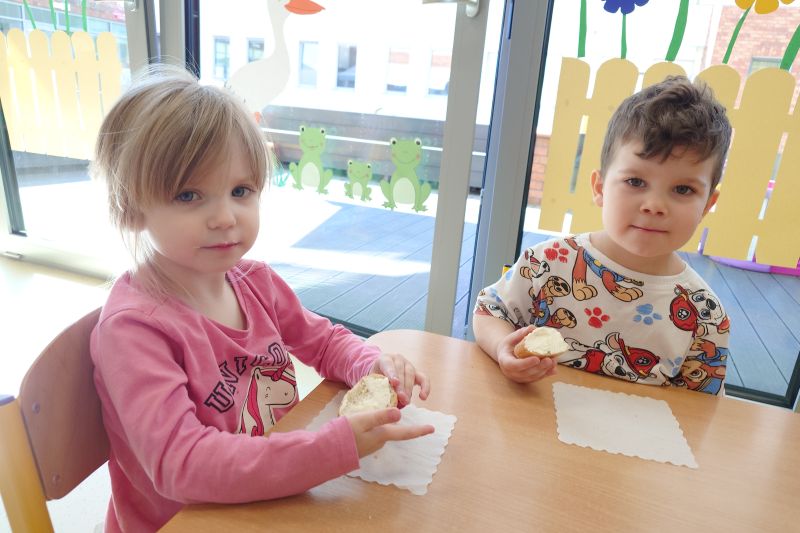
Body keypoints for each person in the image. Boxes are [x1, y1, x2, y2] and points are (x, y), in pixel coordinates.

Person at [89, 65, 434, 532]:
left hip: (268, 495)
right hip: (187, 520)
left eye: (240, 191)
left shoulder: (256, 282)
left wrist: (369, 364)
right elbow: (181, 464)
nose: (225, 217)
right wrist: (330, 448)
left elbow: (325, 342)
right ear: (131, 209)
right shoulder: (135, 330)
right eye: (189, 195)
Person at [473, 75, 731, 395]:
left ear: (707, 205)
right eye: (635, 182)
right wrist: (503, 348)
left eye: (682, 189)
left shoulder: (704, 313)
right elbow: (490, 311)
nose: (654, 205)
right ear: (599, 188)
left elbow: (702, 407)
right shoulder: (549, 263)